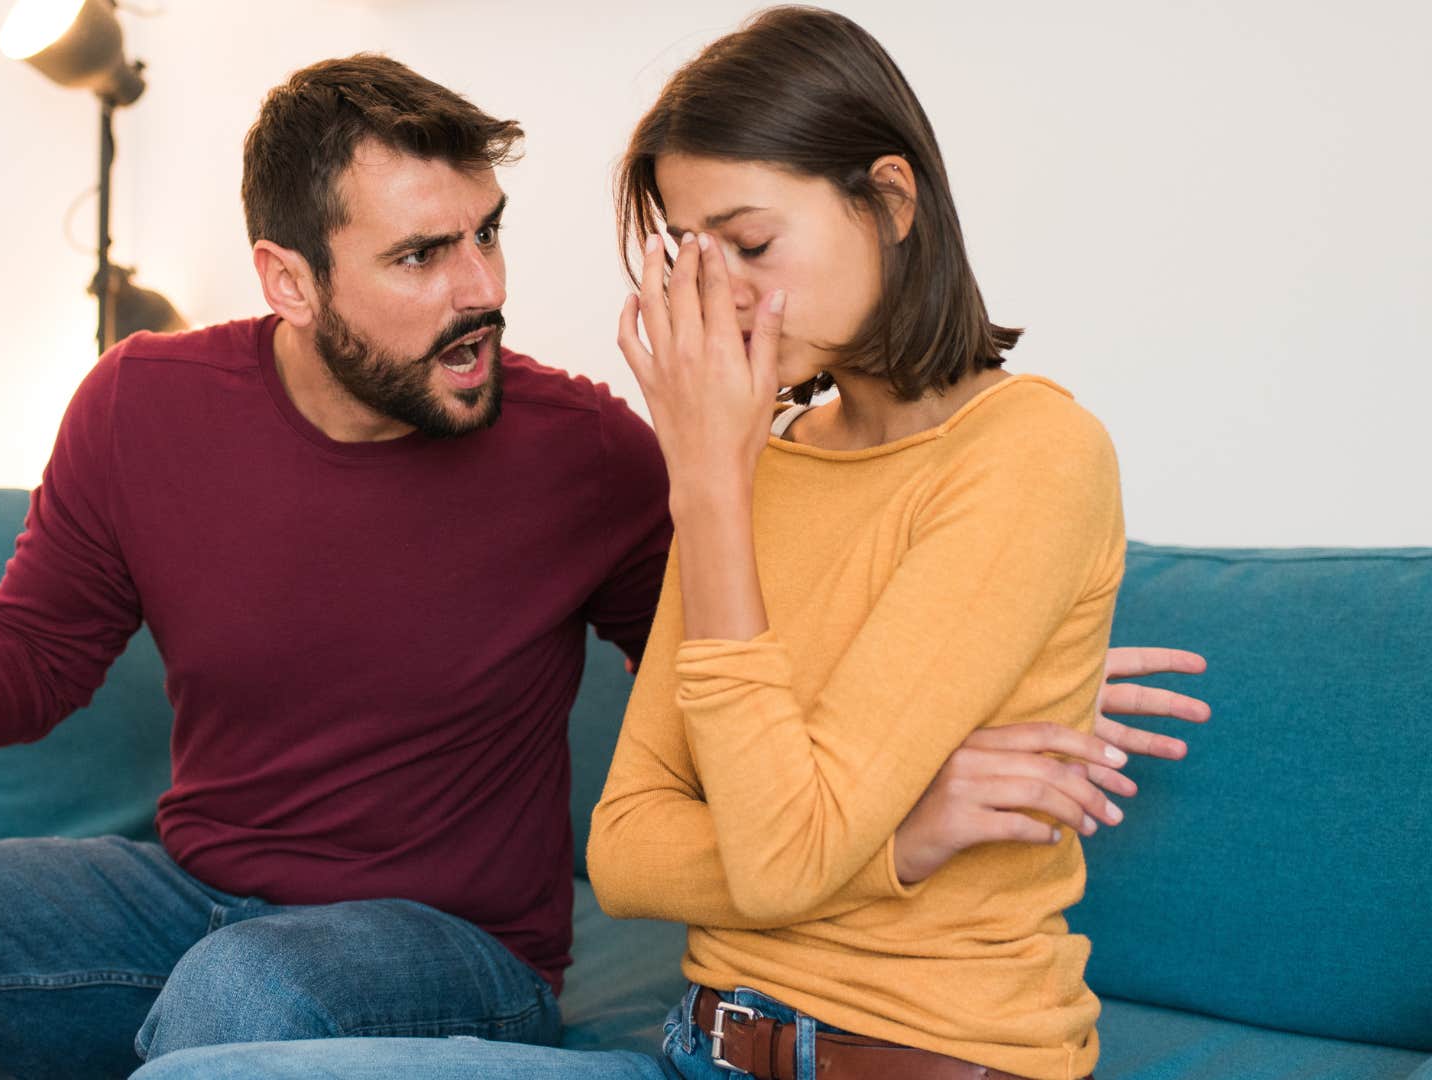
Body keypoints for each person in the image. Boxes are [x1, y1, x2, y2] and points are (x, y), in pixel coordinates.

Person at [0, 46, 1202, 1080]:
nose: (482, 291)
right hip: (189, 886)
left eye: (488, 236)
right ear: (288, 278)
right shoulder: (145, 403)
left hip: (450, 950)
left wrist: (982, 667)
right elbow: (28, 658)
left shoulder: (595, 451)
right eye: (420, 258)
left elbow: (772, 658)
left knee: (244, 1007)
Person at [136, 7, 1149, 1080]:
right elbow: (626, 850)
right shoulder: (769, 460)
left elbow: (782, 855)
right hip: (696, 1052)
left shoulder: (1032, 452)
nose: (726, 296)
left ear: (889, 200)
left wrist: (710, 480)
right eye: (697, 255)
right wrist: (903, 833)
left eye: (754, 244)